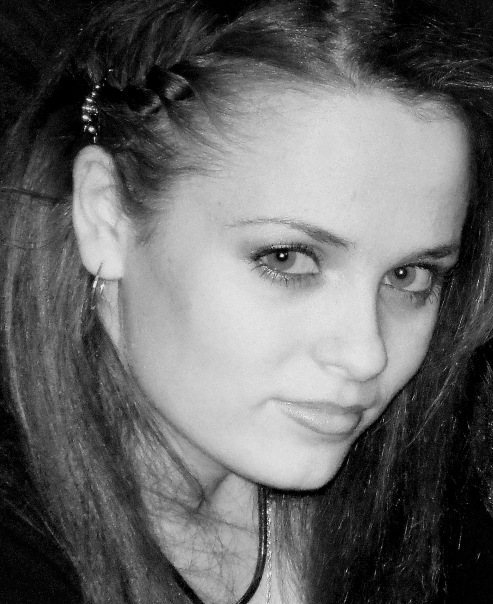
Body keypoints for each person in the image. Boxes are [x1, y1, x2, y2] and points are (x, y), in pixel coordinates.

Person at [1, 0, 493, 602]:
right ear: (106, 216)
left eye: (410, 275)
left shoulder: (421, 491)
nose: (367, 356)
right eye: (286, 259)